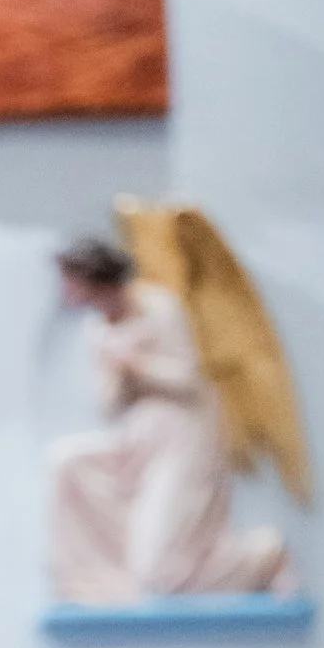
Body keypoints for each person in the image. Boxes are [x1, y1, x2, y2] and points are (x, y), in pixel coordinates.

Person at [48, 231, 297, 607]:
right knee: (69, 463)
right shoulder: (98, 329)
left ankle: (260, 557)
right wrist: (115, 372)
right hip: (139, 439)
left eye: (72, 280)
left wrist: (136, 364)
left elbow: (188, 379)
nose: (67, 291)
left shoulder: (158, 307)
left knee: (161, 572)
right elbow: (111, 406)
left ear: (93, 278)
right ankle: (93, 581)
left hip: (183, 439)